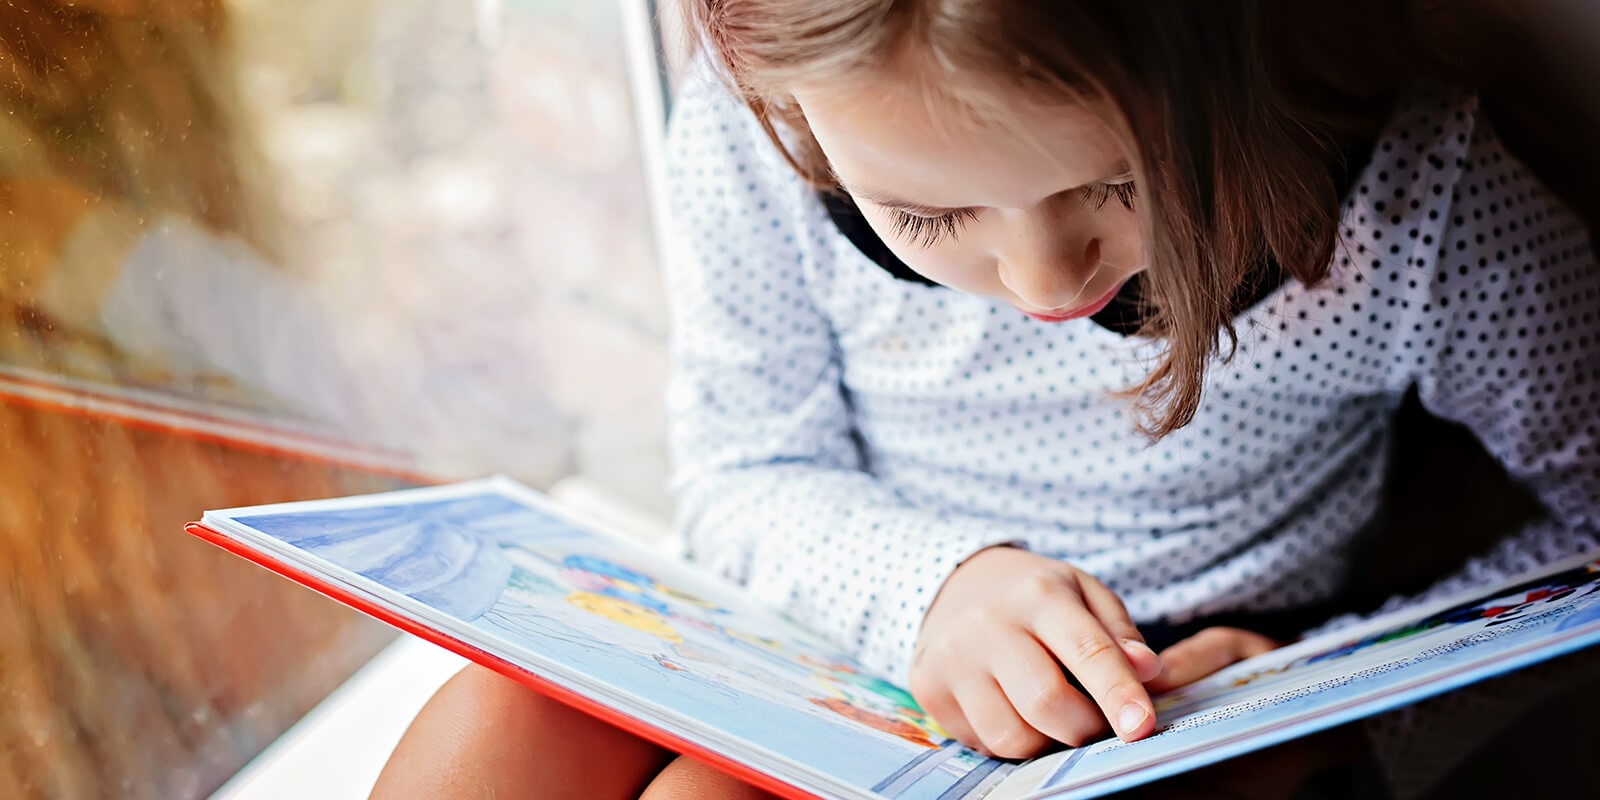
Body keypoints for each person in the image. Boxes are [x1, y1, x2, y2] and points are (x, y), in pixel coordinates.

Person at [371, 1, 1600, 798]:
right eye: (930, 215)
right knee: (499, 724)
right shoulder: (757, 135)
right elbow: (741, 471)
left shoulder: (1416, 211)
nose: (1042, 279)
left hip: (1185, 701)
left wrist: (1326, 701)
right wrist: (932, 588)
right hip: (853, 618)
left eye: (1120, 185)